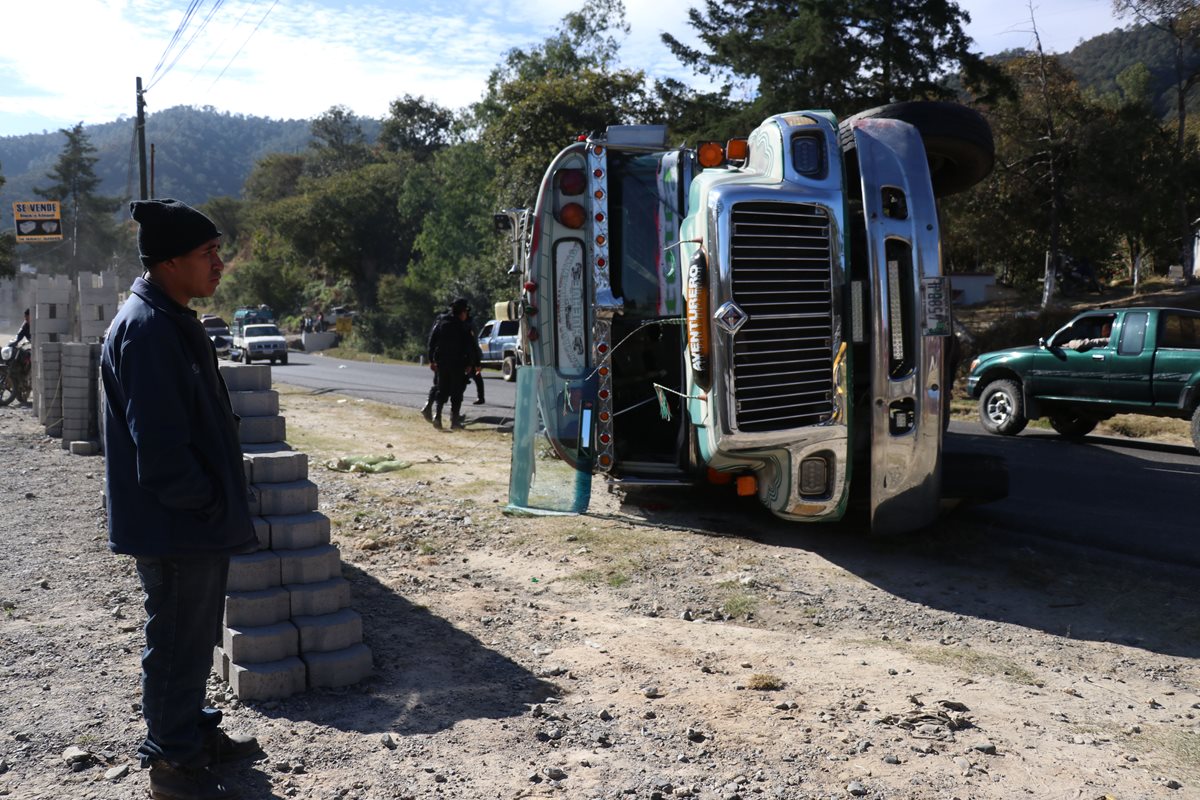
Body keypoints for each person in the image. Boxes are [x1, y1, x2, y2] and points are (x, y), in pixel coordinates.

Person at [101, 199, 263, 800]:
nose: (219, 263)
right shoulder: (147, 331)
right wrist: (210, 505)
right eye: (207, 253)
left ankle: (190, 733)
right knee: (174, 641)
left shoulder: (170, 316)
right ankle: (173, 764)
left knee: (193, 639)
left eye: (217, 251)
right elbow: (163, 455)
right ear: (169, 262)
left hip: (191, 525)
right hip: (176, 527)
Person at [425, 297, 475, 429]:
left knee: (442, 389)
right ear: (462, 312)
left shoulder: (441, 322)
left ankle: (438, 416)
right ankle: (454, 421)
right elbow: (469, 346)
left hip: (442, 362)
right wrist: (470, 362)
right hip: (458, 363)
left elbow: (432, 341)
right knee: (457, 392)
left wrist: (431, 359)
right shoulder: (463, 326)